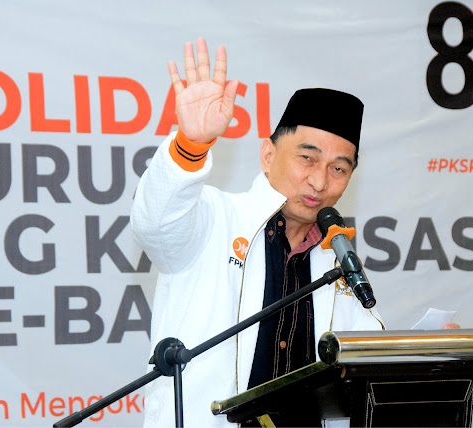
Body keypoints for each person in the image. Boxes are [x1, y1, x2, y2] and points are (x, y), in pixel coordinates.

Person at [131, 38, 384, 428]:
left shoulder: (336, 259)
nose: (319, 181)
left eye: (338, 168)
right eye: (307, 158)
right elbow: (155, 223)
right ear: (268, 155)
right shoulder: (214, 217)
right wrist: (191, 144)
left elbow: (368, 358)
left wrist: (433, 351)